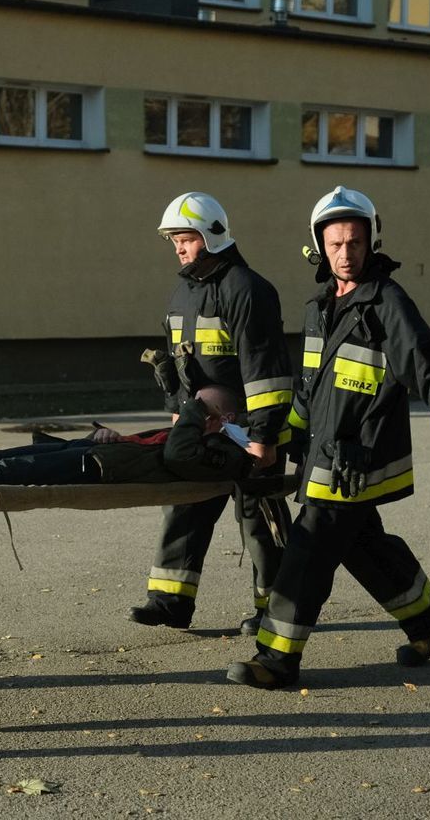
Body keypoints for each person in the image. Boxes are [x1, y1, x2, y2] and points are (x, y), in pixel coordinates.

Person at [227, 186, 430, 690]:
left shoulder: (387, 302)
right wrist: (277, 440)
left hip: (359, 460)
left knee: (308, 549)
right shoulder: (318, 307)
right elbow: (309, 393)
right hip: (322, 457)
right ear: (319, 247)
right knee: (366, 547)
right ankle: (426, 619)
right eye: (335, 244)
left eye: (354, 242)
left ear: (371, 242)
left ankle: (277, 658)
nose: (345, 254)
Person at [130, 192, 293, 635]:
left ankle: (274, 610)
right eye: (175, 241)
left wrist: (264, 436)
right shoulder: (183, 292)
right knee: (184, 504)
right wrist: (176, 414)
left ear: (212, 236)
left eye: (186, 239)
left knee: (259, 519)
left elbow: (266, 369)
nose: (179, 249)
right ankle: (169, 602)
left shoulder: (247, 289)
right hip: (199, 423)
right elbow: (177, 361)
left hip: (245, 429)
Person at [0, 385, 252, 486]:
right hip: (98, 451)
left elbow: (177, 457)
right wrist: (104, 433)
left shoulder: (223, 451)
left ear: (224, 419)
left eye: (200, 408)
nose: (190, 411)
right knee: (0, 456)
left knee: (11, 468)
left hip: (103, 467)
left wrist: (193, 413)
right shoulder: (194, 432)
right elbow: (140, 445)